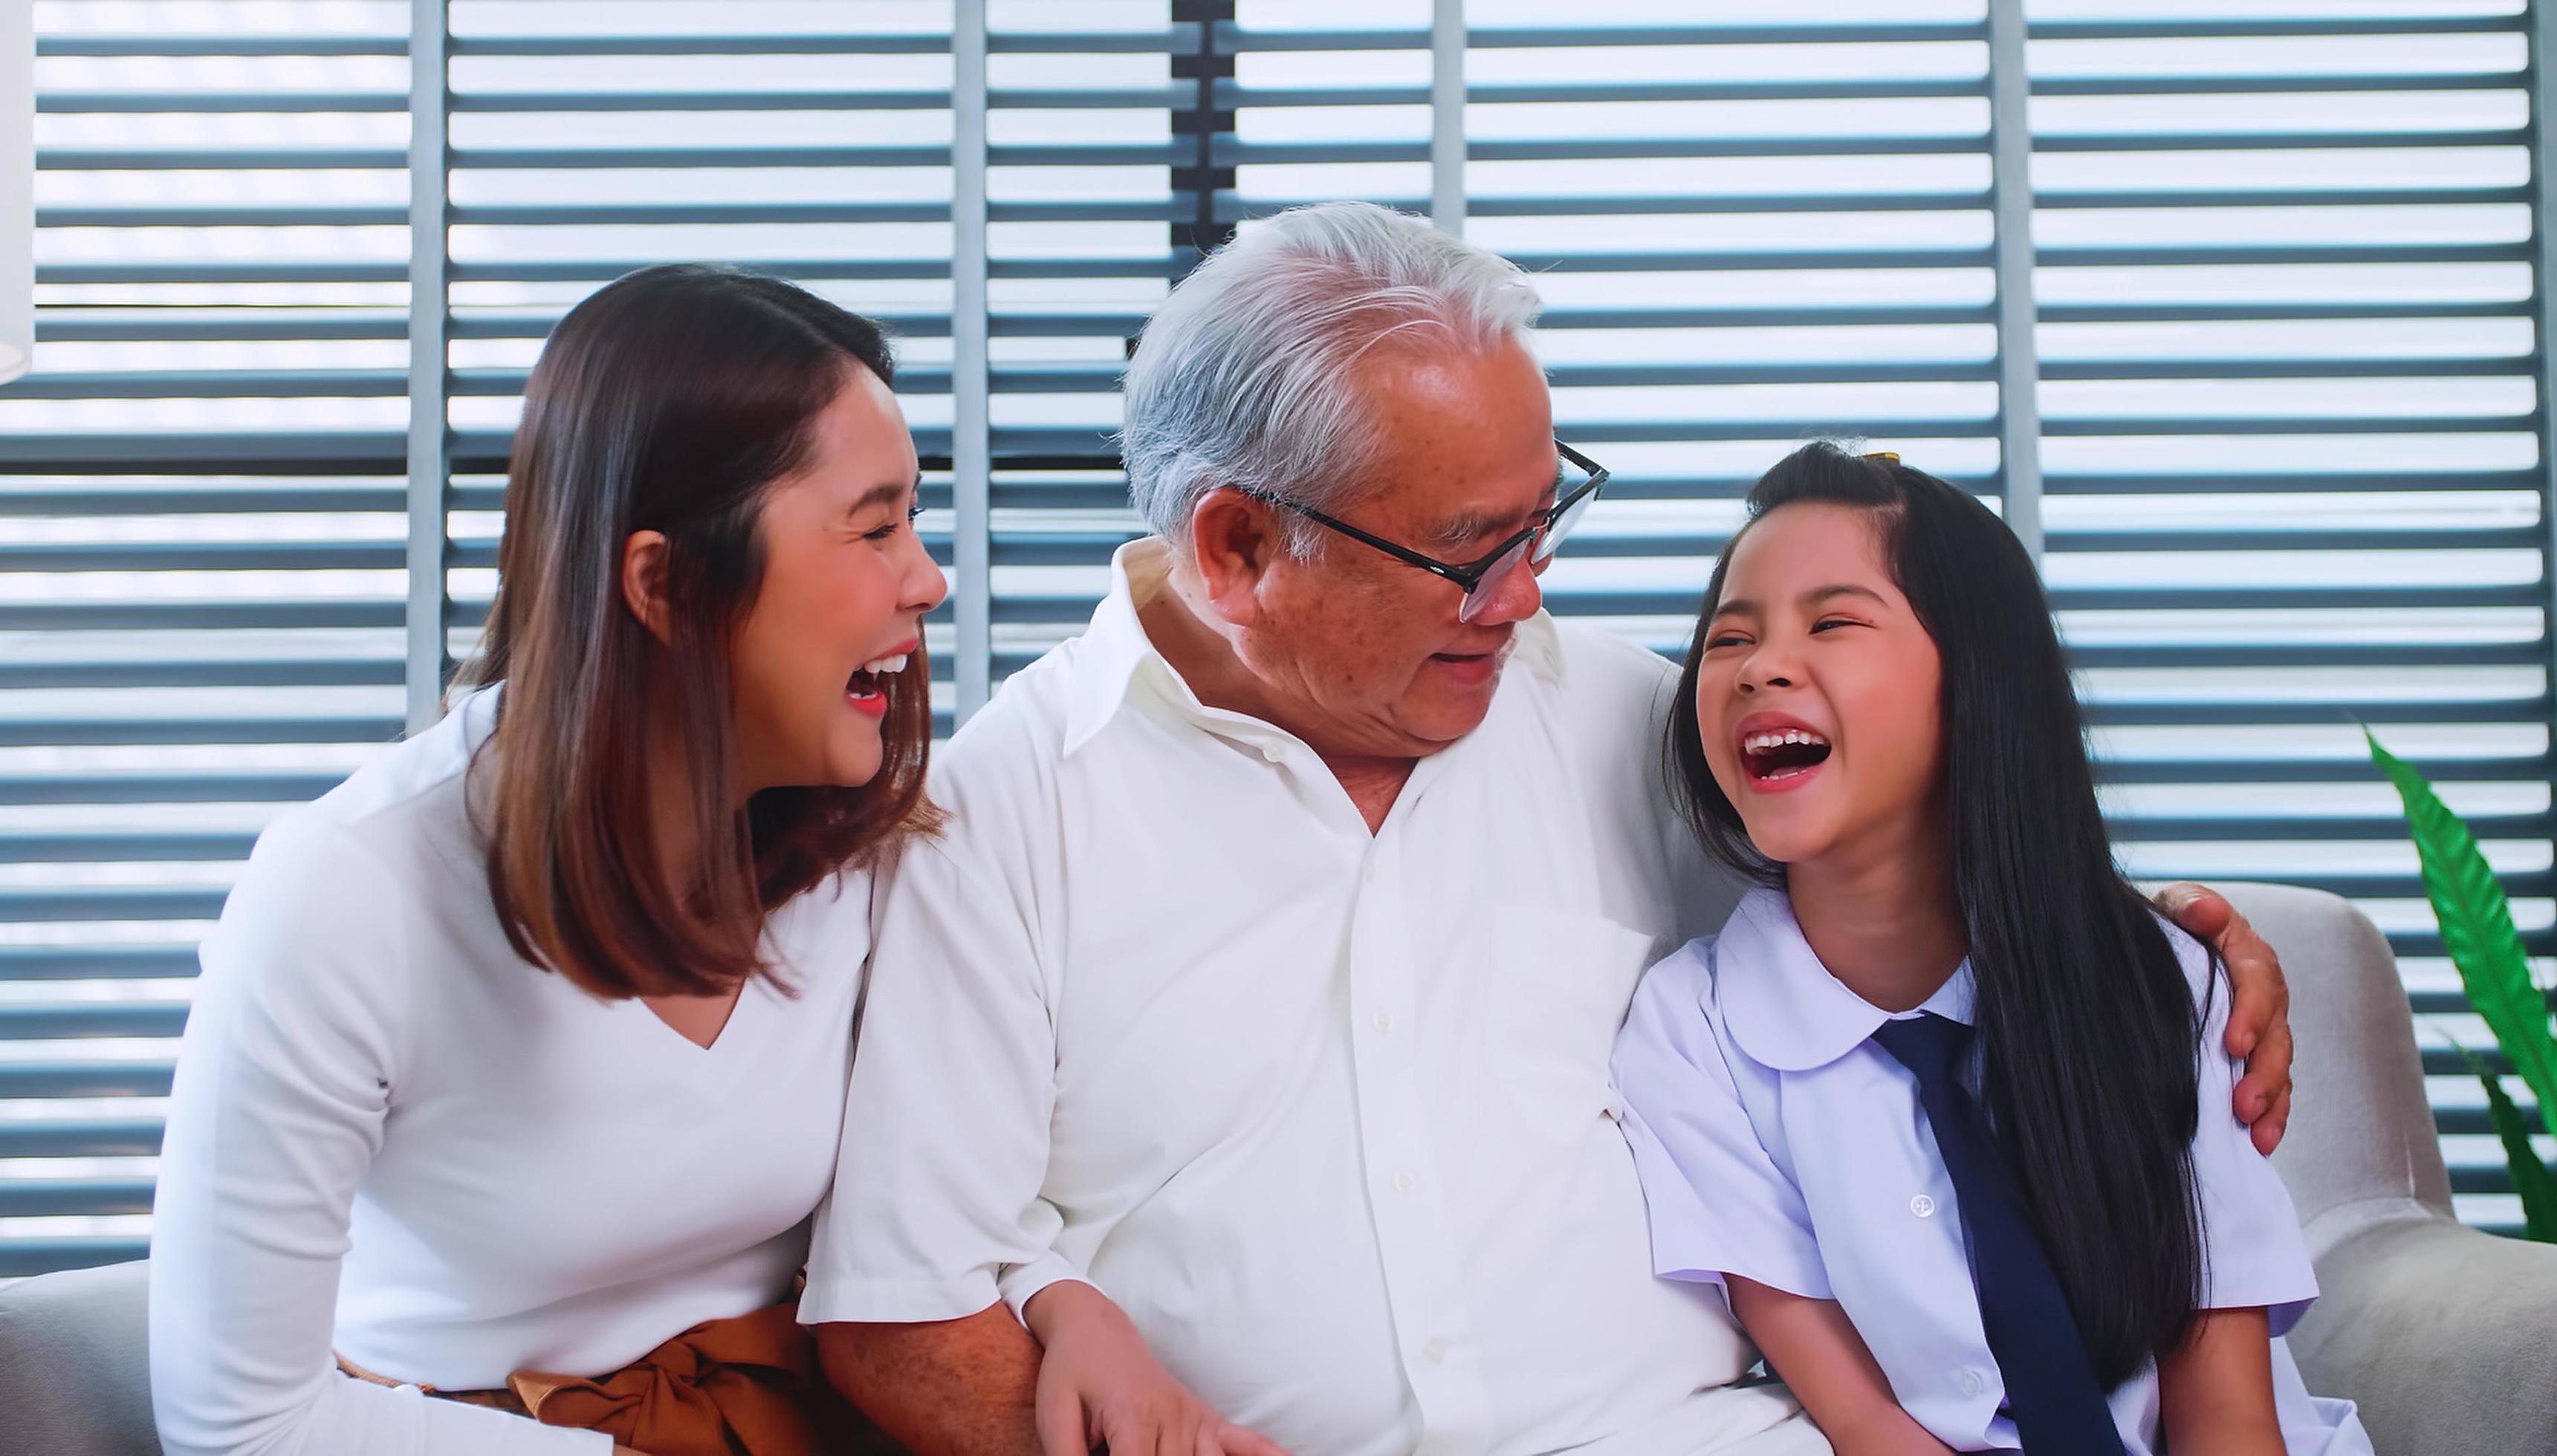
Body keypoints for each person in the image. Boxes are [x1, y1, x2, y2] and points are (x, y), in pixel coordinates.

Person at [803, 202, 2298, 1455]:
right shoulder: (999, 809)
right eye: (1471, 551)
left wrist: (2164, 946)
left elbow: (1918, 869)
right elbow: (900, 1312)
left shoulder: (1633, 721)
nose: (1525, 594)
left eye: (1544, 516)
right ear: (1238, 547)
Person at [146, 265, 945, 1456]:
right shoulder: (348, 892)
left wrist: (1061, 1303)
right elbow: (238, 1426)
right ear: (664, 585)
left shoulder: (867, 847)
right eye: (875, 528)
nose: (928, 578)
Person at [1609, 443, 2370, 1455]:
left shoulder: (2157, 979)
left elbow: (2225, 1411)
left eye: (1832, 622)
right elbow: (1866, 1423)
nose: (1762, 667)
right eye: (1728, 638)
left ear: (1977, 680)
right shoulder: (1690, 1032)